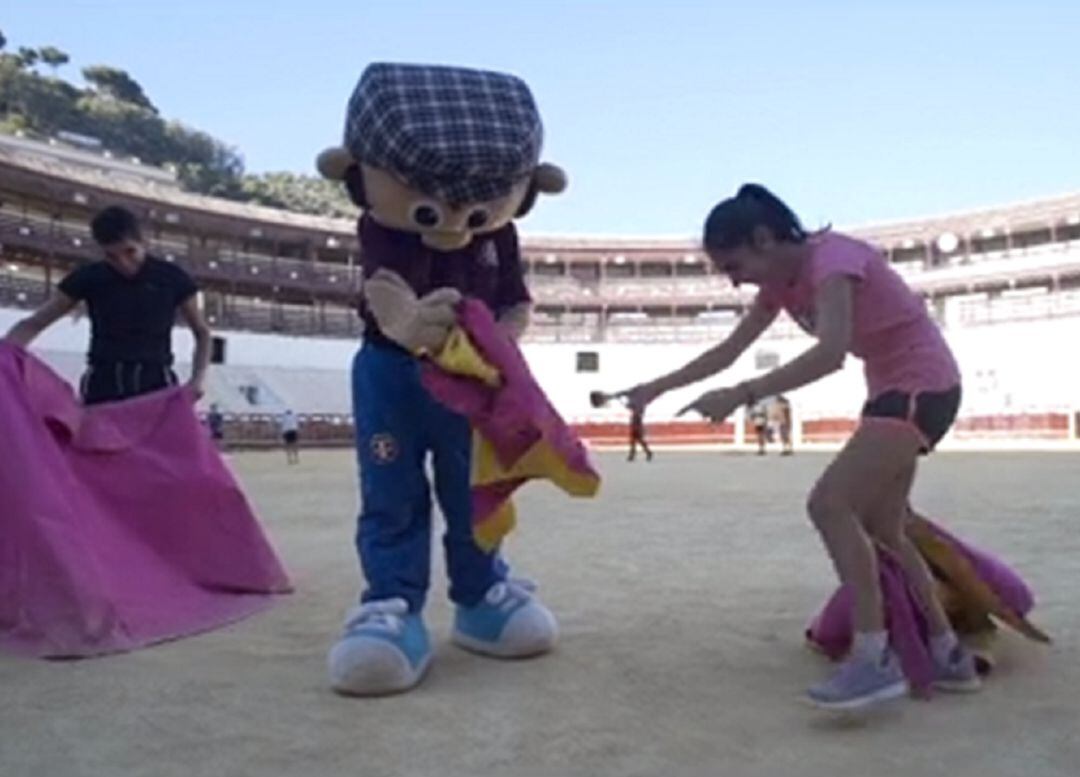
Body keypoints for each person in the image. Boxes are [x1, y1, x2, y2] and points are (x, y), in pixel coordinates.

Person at [626, 184, 978, 710]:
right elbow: (727, 351)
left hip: (917, 388)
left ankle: (873, 657)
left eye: (734, 264)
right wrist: (656, 388)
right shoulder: (783, 284)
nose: (735, 279)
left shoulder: (832, 259)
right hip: (898, 389)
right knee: (886, 527)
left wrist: (744, 395)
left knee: (830, 504)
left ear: (764, 239)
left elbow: (831, 353)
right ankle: (949, 654)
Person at [3, 205, 211, 403]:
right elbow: (34, 323)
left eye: (130, 252)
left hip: (155, 381)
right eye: (112, 256)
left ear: (144, 242)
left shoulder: (172, 278)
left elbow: (202, 332)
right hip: (102, 382)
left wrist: (198, 379)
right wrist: (5, 355)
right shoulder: (89, 277)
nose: (123, 263)